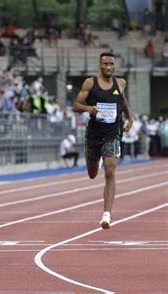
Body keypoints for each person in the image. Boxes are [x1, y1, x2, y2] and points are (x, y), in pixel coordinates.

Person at [73, 52, 133, 230]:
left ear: (115, 65)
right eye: (105, 64)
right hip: (94, 134)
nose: (108, 67)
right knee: (92, 174)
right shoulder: (90, 83)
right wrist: (88, 108)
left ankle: (106, 215)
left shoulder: (120, 83)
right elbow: (76, 106)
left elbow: (122, 102)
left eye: (111, 64)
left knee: (110, 172)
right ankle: (96, 161)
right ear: (100, 65)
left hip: (113, 132)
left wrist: (130, 118)